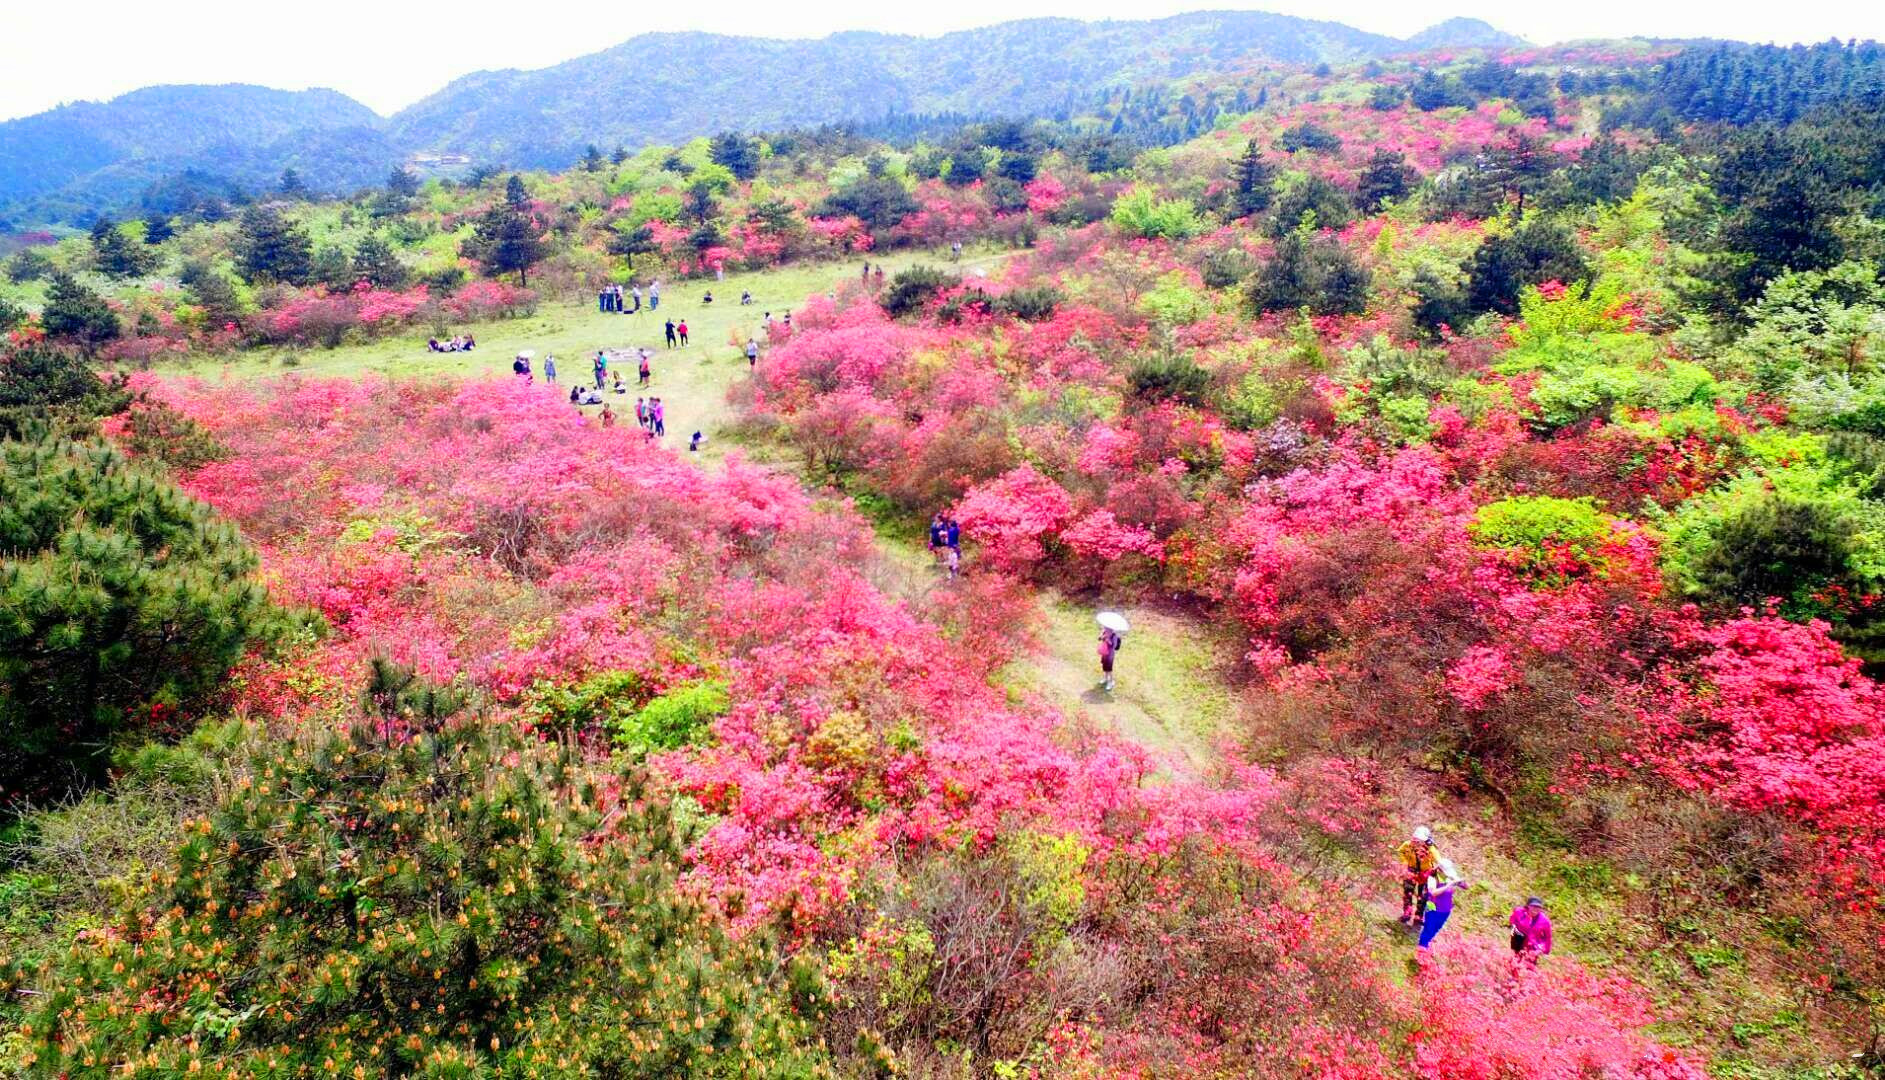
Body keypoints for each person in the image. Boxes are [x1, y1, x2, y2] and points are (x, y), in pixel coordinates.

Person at [1418, 860, 1469, 950]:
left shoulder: (1451, 877)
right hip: (1432, 907)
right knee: (1428, 928)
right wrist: (1447, 885)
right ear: (1439, 870)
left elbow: (1466, 887)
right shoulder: (1432, 878)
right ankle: (1422, 948)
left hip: (1445, 909)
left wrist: (1461, 882)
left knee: (1436, 929)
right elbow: (1433, 892)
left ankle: (1426, 946)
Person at [1397, 826, 1440, 925]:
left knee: (1423, 895)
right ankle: (1407, 913)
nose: (1416, 842)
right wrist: (1404, 862)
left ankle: (1418, 916)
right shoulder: (1408, 845)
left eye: (1419, 840)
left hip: (1425, 873)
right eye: (1415, 839)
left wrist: (1436, 867)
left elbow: (1438, 859)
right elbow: (1400, 852)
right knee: (1408, 892)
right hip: (1411, 870)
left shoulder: (1430, 848)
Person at [1509, 897, 1553, 963]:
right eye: (1533, 906)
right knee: (1515, 962)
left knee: (1529, 966)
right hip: (1519, 941)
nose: (1536, 909)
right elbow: (1512, 921)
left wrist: (1542, 949)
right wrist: (1514, 934)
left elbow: (1547, 938)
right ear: (1528, 906)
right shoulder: (1519, 912)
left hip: (1533, 946)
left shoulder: (1544, 921)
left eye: (1538, 907)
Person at [1098, 624, 1121, 692]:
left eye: (1107, 628)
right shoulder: (1105, 632)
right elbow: (1099, 639)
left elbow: (1114, 646)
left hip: (1110, 654)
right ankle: (1105, 678)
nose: (1105, 628)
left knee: (1109, 669)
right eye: (1105, 627)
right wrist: (1101, 637)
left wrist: (1108, 640)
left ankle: (1111, 682)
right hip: (1104, 653)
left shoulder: (1114, 636)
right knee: (1104, 666)